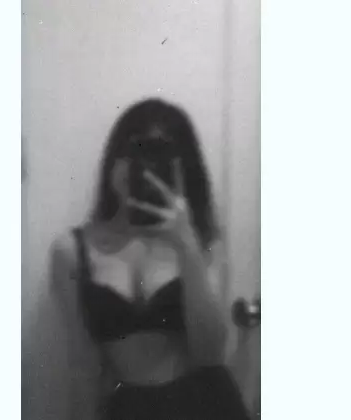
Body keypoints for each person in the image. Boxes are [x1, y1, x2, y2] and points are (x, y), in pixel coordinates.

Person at [51, 99, 250, 420]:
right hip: (130, 411)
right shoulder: (71, 251)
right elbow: (83, 367)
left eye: (159, 156)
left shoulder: (202, 240)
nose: (142, 167)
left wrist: (186, 245)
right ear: (112, 159)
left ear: (182, 170)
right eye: (134, 151)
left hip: (208, 405)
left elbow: (211, 353)